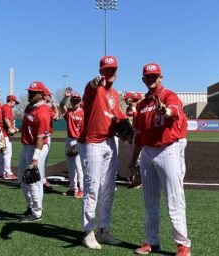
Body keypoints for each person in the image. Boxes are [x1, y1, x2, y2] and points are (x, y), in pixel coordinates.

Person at [130, 63, 191, 256]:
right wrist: (133, 160)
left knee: (174, 198)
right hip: (147, 152)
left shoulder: (168, 95)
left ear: (161, 78)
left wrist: (165, 110)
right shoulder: (142, 105)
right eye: (147, 76)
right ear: (143, 79)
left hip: (168, 149)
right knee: (150, 200)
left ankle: (183, 245)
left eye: (154, 76)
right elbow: (138, 136)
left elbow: (173, 110)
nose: (151, 79)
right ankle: (152, 241)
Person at [78, 56, 127, 250]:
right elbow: (89, 89)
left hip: (110, 143)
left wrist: (126, 126)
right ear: (100, 71)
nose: (110, 73)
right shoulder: (94, 89)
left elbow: (119, 117)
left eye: (113, 69)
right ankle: (88, 232)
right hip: (94, 144)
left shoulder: (115, 94)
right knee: (92, 189)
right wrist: (94, 81)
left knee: (109, 188)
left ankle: (104, 231)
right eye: (106, 70)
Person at [18, 81, 53, 222]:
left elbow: (40, 138)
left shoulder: (43, 112)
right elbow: (26, 125)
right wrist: (17, 130)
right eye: (30, 91)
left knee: (34, 181)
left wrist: (35, 159)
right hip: (26, 146)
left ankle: (37, 212)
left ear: (41, 95)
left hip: (36, 147)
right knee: (22, 178)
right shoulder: (29, 107)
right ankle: (30, 206)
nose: (30, 94)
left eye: (33, 92)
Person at [60, 90, 84, 199]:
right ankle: (73, 188)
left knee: (79, 167)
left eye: (77, 100)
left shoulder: (84, 112)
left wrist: (81, 143)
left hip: (79, 140)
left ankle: (82, 189)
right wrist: (65, 97)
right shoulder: (69, 113)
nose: (75, 102)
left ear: (80, 101)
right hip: (69, 140)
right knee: (71, 167)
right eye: (73, 100)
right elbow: (61, 105)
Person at [0, 95, 19, 180]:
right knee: (7, 154)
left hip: (1, 134)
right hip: (4, 134)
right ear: (12, 101)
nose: (15, 104)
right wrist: (10, 129)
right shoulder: (7, 107)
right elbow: (6, 119)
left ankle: (0, 172)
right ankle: (8, 173)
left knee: (1, 154)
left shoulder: (3, 107)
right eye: (15, 102)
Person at [42, 87, 59, 191]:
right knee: (42, 160)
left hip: (37, 136)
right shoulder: (46, 107)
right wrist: (54, 106)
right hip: (44, 136)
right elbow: (57, 117)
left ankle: (41, 179)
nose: (51, 97)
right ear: (45, 96)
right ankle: (42, 181)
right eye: (49, 95)